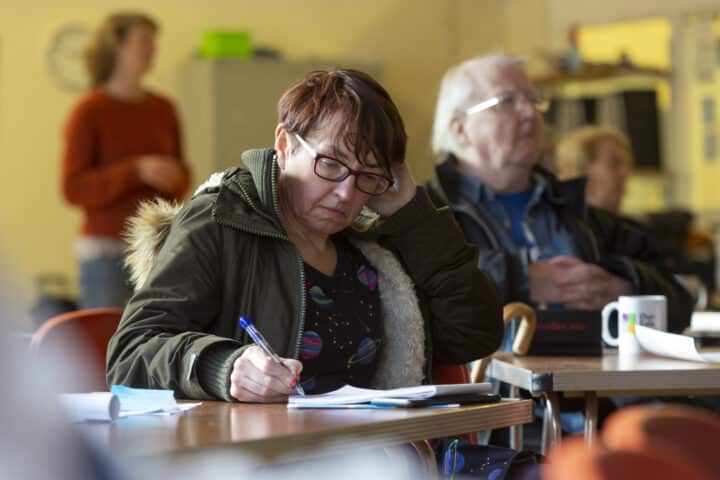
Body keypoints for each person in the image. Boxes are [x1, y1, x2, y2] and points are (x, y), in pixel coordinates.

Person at [107, 69, 503, 403]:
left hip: (374, 453)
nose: (346, 193)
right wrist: (224, 367)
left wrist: (412, 214)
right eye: (330, 164)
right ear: (284, 144)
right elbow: (130, 352)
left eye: (368, 176)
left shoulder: (370, 245)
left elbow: (473, 335)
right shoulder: (221, 221)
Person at [428, 53, 692, 330]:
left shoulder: (574, 210)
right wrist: (523, 280)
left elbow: (681, 300)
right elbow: (426, 291)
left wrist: (622, 289)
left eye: (533, 99)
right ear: (459, 128)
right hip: (480, 374)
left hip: (584, 372)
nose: (531, 112)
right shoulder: (428, 215)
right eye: (507, 101)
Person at [61, 12, 190, 309]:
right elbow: (73, 187)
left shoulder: (164, 108)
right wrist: (136, 171)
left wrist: (172, 178)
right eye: (144, 40)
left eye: (154, 41)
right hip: (106, 257)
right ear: (115, 47)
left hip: (159, 250)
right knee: (105, 344)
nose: (153, 49)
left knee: (155, 343)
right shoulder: (88, 111)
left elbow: (182, 174)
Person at [555, 125, 632, 214]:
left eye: (627, 164)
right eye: (614, 163)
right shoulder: (557, 224)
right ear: (581, 168)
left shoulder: (630, 226)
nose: (625, 173)